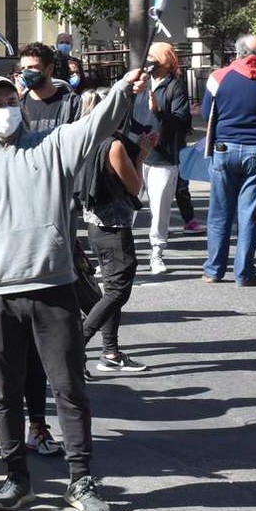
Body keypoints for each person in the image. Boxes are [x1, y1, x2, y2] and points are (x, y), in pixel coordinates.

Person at [0, 65, 148, 511]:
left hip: (53, 289)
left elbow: (96, 125)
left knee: (69, 389)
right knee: (4, 393)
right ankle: (16, 477)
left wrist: (123, 90)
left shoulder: (51, 147)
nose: (8, 109)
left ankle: (81, 479)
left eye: (13, 101)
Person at [201, 35, 256, 285]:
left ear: (237, 52)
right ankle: (244, 273)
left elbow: (208, 114)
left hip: (224, 148)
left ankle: (213, 270)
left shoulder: (218, 77)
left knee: (219, 212)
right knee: (250, 214)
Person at [79, 107, 155, 373]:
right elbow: (134, 187)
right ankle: (78, 343)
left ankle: (110, 352)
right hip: (113, 227)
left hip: (95, 226)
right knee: (116, 292)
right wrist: (142, 156)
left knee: (111, 291)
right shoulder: (113, 146)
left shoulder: (85, 142)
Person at [131, 42, 191, 275]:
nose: (149, 62)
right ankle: (122, 251)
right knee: (128, 204)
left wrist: (158, 111)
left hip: (163, 156)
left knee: (160, 207)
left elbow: (182, 121)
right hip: (135, 153)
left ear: (166, 61)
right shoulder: (140, 84)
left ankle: (156, 252)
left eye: (154, 58)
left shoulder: (175, 87)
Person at [17, 42, 81, 130]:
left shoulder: (71, 104)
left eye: (32, 67)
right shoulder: (19, 106)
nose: (26, 73)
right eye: (23, 68)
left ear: (49, 68)